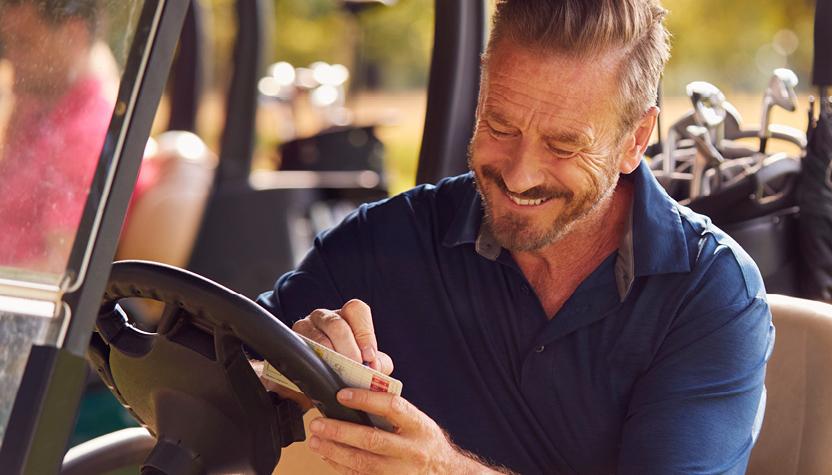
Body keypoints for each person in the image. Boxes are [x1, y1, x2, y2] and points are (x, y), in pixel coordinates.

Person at [257, 1, 775, 473]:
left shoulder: (710, 295)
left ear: (635, 140)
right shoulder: (383, 240)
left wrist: (443, 469)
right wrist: (287, 367)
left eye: (563, 145)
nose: (520, 175)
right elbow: (210, 360)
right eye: (500, 127)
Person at [0, 0, 117, 276]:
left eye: (24, 43)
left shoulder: (85, 135)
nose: (11, 58)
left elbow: (59, 273)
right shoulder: (40, 109)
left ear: (73, 35)